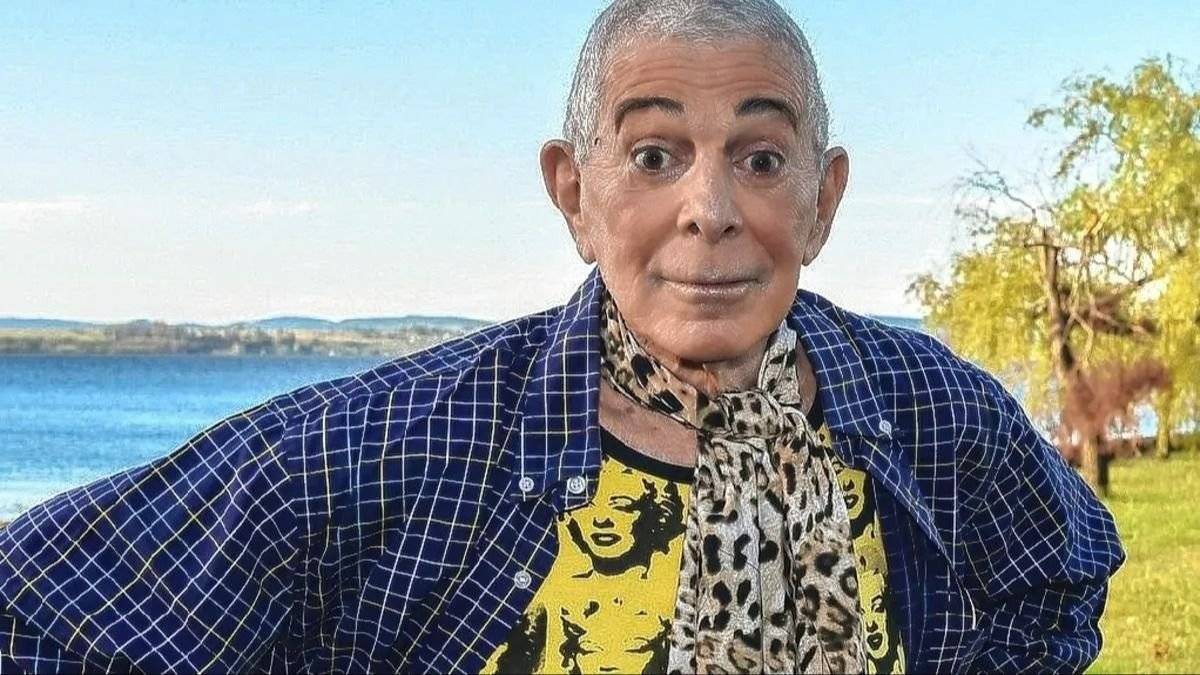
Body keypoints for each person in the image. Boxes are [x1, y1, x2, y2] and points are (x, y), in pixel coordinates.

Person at [0, 0, 1124, 673]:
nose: (709, 209)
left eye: (760, 158)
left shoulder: (930, 408)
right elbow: (40, 612)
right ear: (575, 194)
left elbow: (1059, 578)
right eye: (654, 155)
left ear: (822, 199)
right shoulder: (394, 451)